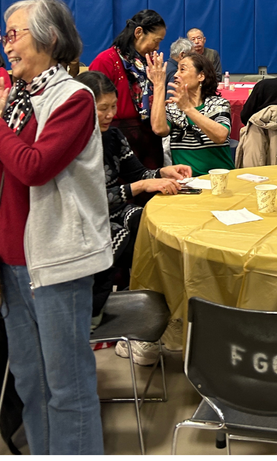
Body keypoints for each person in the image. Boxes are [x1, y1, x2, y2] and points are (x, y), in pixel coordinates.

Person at [0, 0, 112, 455]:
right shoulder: (15, 100)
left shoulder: (74, 97)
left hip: (56, 265)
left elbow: (33, 167)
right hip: (9, 265)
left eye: (14, 34)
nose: (5, 44)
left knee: (68, 388)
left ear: (48, 38)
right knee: (31, 382)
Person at [76, 71, 191, 364]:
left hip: (119, 211)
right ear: (84, 105)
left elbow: (138, 175)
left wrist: (162, 173)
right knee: (128, 238)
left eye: (113, 107)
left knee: (148, 227)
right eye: (103, 108)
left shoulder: (113, 136)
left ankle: (152, 315)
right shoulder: (74, 145)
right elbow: (92, 199)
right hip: (87, 222)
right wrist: (141, 185)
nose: (111, 114)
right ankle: (113, 319)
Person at [90, 9, 166, 169]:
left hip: (149, 135)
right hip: (117, 136)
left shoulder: (150, 62)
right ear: (138, 32)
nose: (157, 47)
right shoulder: (106, 60)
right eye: (156, 41)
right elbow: (90, 106)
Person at [149, 51, 234, 176]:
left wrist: (188, 108)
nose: (176, 74)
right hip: (187, 183)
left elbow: (221, 136)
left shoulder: (218, 104)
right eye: (177, 69)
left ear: (201, 76)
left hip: (220, 179)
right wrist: (158, 85)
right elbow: (159, 129)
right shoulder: (173, 108)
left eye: (182, 69)